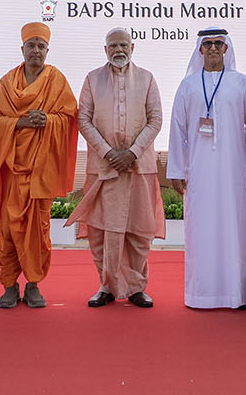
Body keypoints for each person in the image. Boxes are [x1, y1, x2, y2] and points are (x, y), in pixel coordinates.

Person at [0, 21, 78, 310]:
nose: (36, 50)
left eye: (41, 46)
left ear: (47, 50)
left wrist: (49, 120)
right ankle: (9, 285)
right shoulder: (7, 82)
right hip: (12, 169)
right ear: (22, 49)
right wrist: (20, 122)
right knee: (9, 230)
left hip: (41, 171)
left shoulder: (56, 80)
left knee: (39, 229)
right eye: (31, 45)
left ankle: (34, 284)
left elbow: (69, 117)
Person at [166, 28, 246, 310]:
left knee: (236, 228)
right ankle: (202, 294)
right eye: (207, 44)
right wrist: (176, 170)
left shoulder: (241, 83)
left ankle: (237, 293)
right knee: (201, 229)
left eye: (218, 44)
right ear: (200, 50)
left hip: (235, 169)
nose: (213, 49)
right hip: (199, 171)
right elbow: (177, 129)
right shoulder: (188, 85)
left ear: (226, 48)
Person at [72, 27, 164, 308]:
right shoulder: (92, 79)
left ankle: (137, 287)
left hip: (138, 168)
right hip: (105, 168)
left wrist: (132, 153)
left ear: (132, 47)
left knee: (138, 231)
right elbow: (83, 119)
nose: (118, 50)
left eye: (123, 45)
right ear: (105, 50)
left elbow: (155, 120)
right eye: (113, 46)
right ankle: (107, 286)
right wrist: (109, 152)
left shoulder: (147, 79)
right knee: (103, 232)